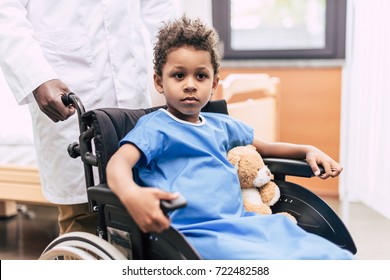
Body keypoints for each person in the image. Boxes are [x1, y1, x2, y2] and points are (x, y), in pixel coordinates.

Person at [106, 15, 354, 259]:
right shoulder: (155, 127)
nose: (190, 85)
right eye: (179, 75)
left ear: (214, 84)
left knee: (328, 255)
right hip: (193, 234)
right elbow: (119, 163)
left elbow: (266, 148)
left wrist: (308, 150)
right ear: (159, 82)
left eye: (200, 76)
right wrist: (130, 194)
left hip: (243, 224)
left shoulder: (221, 125)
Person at [0, 0, 176, 235]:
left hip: (130, 84)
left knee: (141, 215)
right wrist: (37, 77)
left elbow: (158, 7)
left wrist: (178, 62)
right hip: (68, 86)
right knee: (82, 218)